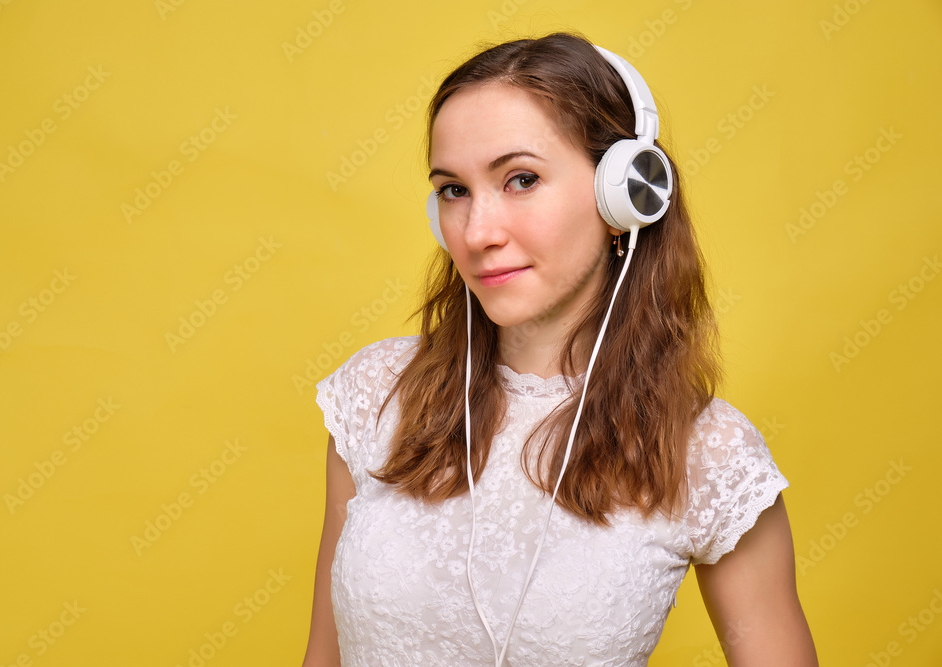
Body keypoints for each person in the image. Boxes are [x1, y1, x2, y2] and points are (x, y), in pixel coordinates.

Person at [303, 31, 818, 666]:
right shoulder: (376, 395)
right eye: (453, 190)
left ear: (623, 196)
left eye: (520, 180)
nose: (478, 232)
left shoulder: (708, 455)